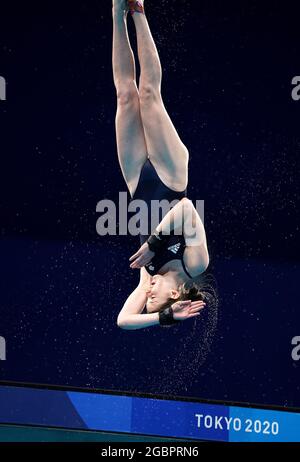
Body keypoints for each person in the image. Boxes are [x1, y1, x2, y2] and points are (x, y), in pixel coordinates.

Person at [112, 0, 215, 330]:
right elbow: (185, 210)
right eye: (156, 298)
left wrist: (162, 316)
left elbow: (124, 321)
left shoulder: (149, 275)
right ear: (180, 292)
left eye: (150, 296)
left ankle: (116, 13)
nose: (150, 291)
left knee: (125, 96)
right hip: (171, 177)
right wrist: (154, 244)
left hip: (137, 184)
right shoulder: (196, 264)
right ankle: (138, 10)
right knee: (148, 94)